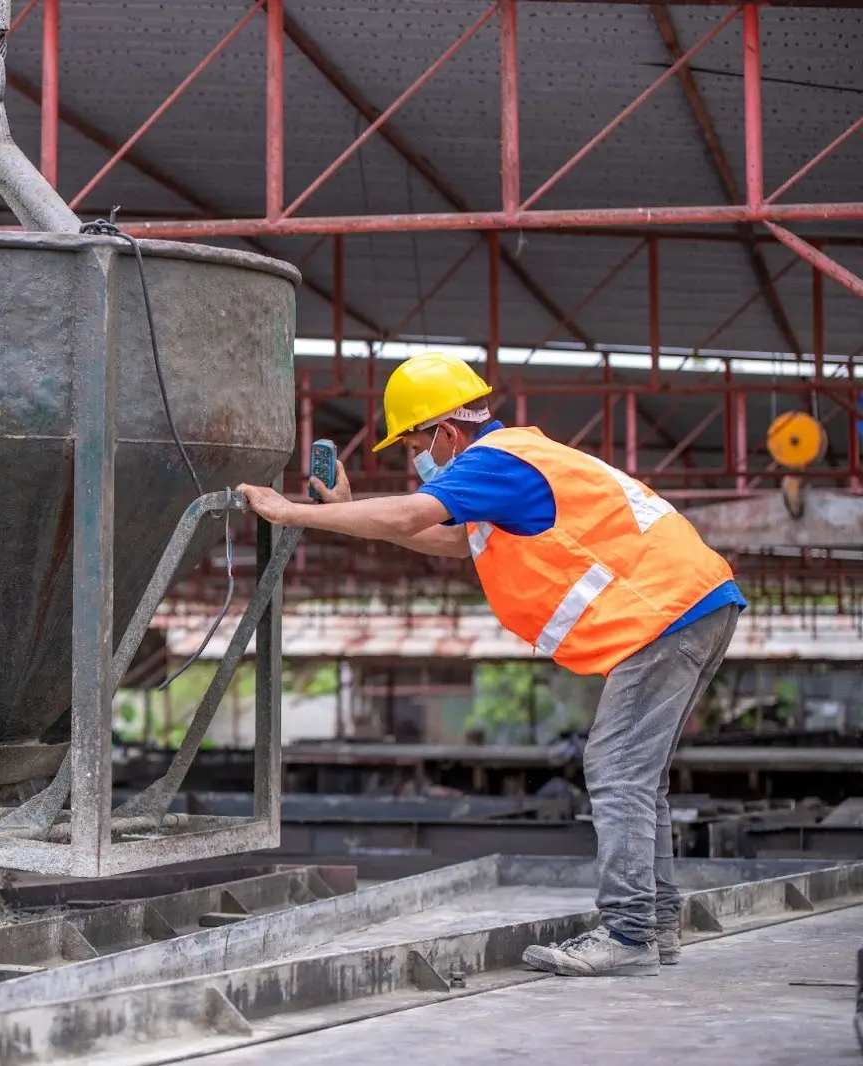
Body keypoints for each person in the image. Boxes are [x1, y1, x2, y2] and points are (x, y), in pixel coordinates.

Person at [238, 350, 743, 978]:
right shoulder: (514, 462)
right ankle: (655, 926)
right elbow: (453, 538)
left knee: (615, 769)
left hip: (667, 613)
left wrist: (297, 513)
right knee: (640, 776)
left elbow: (411, 513)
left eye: (417, 444)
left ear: (446, 431)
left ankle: (630, 933)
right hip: (691, 605)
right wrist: (344, 512)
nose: (417, 459)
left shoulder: (493, 462)